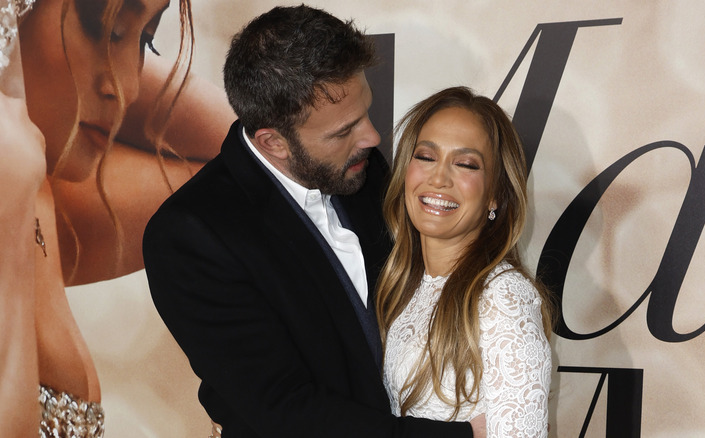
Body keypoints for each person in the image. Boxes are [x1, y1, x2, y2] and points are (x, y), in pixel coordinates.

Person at [143, 5, 484, 438]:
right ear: (274, 142)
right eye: (344, 131)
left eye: (366, 113)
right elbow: (285, 411)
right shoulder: (190, 236)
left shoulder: (360, 166)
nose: (373, 138)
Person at [0, 0, 234, 434]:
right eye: (104, 29)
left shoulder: (40, 193)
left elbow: (256, 167)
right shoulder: (16, 179)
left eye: (145, 40)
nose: (126, 86)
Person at [376, 86, 556, 437]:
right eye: (425, 157)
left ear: (495, 195)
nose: (439, 178)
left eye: (466, 164)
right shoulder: (398, 285)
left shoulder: (503, 297)